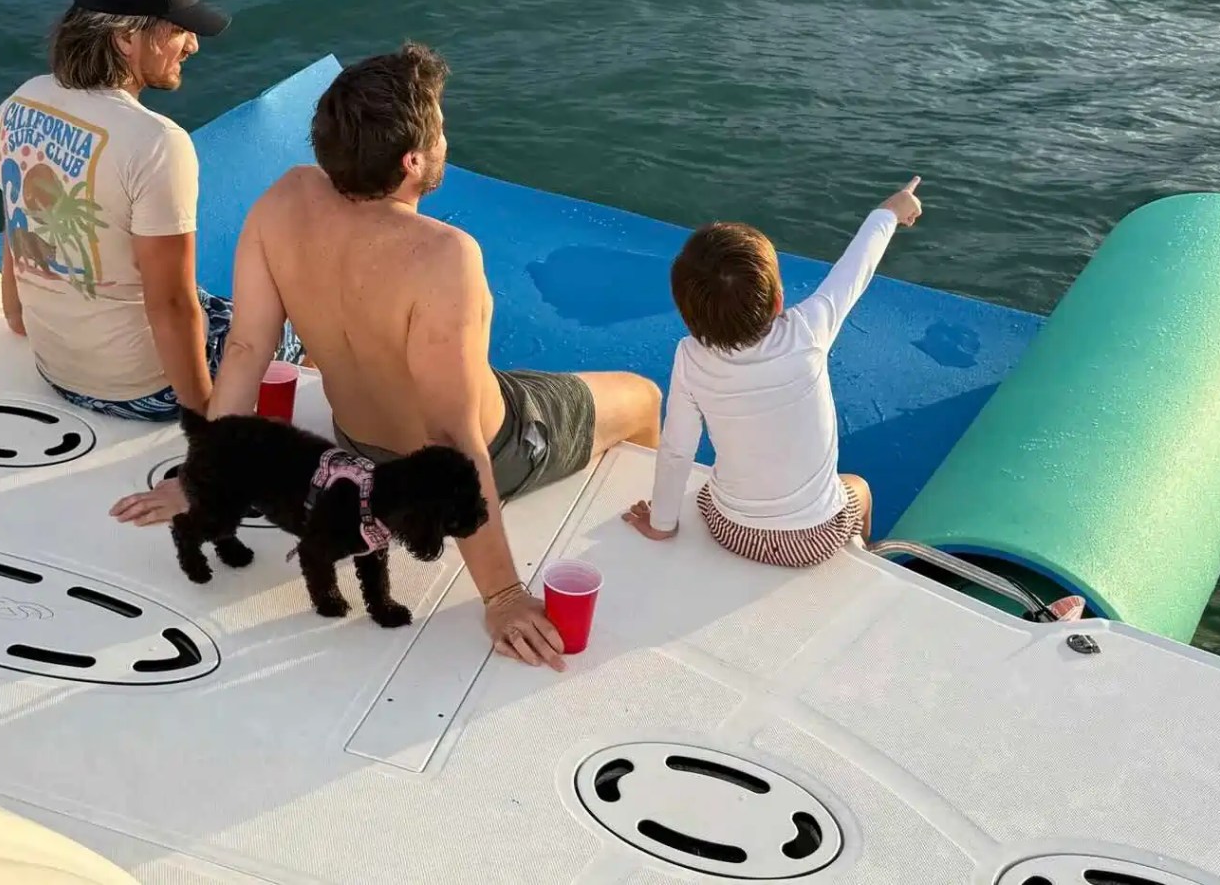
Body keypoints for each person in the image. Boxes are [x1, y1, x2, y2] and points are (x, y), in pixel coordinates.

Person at [111, 44, 663, 669]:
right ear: (413, 161)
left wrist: (200, 478)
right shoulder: (444, 255)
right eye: (442, 130)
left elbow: (243, 349)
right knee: (642, 394)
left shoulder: (284, 198)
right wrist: (505, 595)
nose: (447, 138)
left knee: (489, 379)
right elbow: (454, 436)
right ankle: (654, 525)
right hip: (467, 457)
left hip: (357, 451)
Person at [0, 0, 301, 420]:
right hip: (142, 391)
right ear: (125, 39)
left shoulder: (21, 103)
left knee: (212, 302)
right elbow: (172, 305)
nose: (193, 46)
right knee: (291, 323)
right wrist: (203, 412)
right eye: (178, 30)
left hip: (53, 369)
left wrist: (16, 316)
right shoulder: (157, 143)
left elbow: (19, 230)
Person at [621, 179, 925, 565]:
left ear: (687, 315)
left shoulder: (690, 357)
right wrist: (890, 211)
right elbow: (855, 270)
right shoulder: (808, 330)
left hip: (731, 531)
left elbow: (678, 449)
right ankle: (858, 557)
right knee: (859, 488)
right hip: (816, 538)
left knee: (711, 488)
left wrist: (662, 523)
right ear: (778, 300)